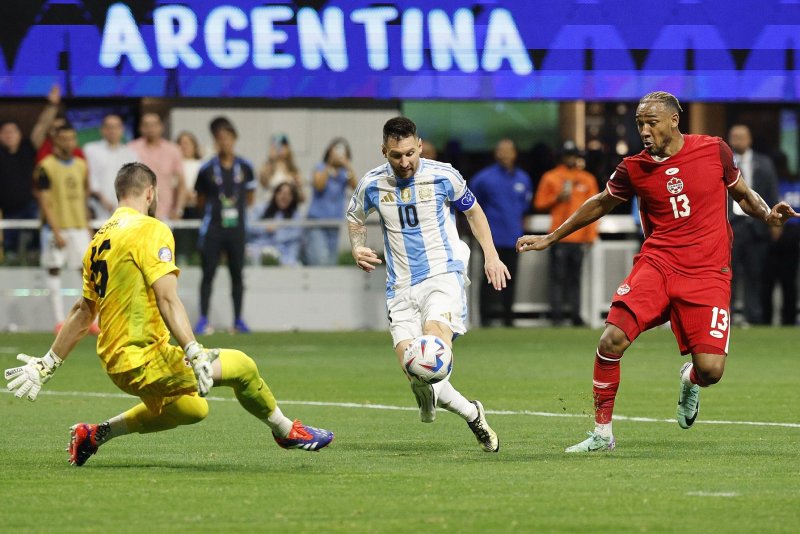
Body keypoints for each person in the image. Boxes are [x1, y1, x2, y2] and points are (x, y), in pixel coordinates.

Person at [517, 91, 798, 453]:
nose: (645, 131)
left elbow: (742, 193)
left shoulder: (714, 150)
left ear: (673, 120)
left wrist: (767, 215)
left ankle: (690, 378)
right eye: (639, 124)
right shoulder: (634, 167)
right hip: (658, 266)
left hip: (709, 273)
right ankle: (602, 433)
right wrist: (552, 237)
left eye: (651, 122)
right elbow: (602, 202)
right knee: (611, 339)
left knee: (711, 371)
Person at [3, 162, 333, 467]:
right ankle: (287, 431)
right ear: (150, 192)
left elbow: (82, 310)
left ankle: (94, 434)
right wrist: (193, 348)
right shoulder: (150, 229)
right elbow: (168, 299)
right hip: (143, 358)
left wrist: (47, 364)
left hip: (116, 363)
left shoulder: (98, 239)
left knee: (191, 407)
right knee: (243, 367)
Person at [347, 117, 509, 453]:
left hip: (442, 276)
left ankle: (439, 397)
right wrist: (357, 246)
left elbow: (475, 212)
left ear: (419, 145)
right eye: (396, 155)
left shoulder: (443, 175)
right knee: (415, 371)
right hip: (399, 287)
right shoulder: (372, 184)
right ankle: (472, 413)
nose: (405, 162)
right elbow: (355, 217)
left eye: (410, 153)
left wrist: (491, 256)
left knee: (431, 352)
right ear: (384, 152)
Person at [194, 117, 255, 335]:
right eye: (220, 139)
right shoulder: (207, 169)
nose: (224, 143)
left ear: (234, 140)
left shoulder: (246, 167)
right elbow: (199, 200)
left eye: (228, 138)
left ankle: (238, 320)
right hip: (213, 229)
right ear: (215, 142)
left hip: (237, 229)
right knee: (208, 273)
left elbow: (250, 197)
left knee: (237, 274)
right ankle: (203, 320)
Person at [35, 123, 95, 332]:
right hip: (56, 229)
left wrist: (87, 227)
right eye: (64, 139)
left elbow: (83, 198)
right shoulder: (46, 166)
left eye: (72, 138)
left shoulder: (81, 165)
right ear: (56, 140)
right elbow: (45, 201)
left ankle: (91, 321)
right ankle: (60, 322)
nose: (69, 143)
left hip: (79, 227)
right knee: (54, 270)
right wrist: (56, 230)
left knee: (86, 273)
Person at [533, 140, 600, 326]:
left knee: (575, 279)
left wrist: (590, 236)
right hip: (557, 236)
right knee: (557, 277)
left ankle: (575, 315)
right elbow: (539, 203)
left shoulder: (587, 179)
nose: (570, 158)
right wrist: (557, 198)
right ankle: (556, 316)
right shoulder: (551, 177)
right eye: (567, 155)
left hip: (578, 238)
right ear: (561, 157)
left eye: (573, 155)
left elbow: (596, 209)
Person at [470, 139, 532, 327]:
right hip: (491, 238)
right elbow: (471, 208)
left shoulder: (523, 178)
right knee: (488, 277)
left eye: (509, 151)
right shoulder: (483, 179)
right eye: (502, 151)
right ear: (496, 154)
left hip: (514, 237)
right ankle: (485, 318)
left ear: (515, 153)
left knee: (511, 277)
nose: (505, 154)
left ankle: (508, 318)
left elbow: (526, 206)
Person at [727, 124, 779, 325]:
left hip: (756, 228)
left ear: (749, 139)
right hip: (731, 227)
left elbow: (771, 192)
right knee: (728, 277)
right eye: (734, 136)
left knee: (755, 276)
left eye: (742, 137)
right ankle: (726, 320)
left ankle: (754, 319)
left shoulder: (763, 163)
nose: (738, 140)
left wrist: (775, 223)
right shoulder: (723, 162)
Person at [305, 138, 357, 265]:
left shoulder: (344, 172)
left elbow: (356, 187)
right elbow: (319, 185)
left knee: (331, 262)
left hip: (334, 223)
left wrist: (347, 165)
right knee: (320, 259)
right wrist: (329, 164)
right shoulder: (320, 167)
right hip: (317, 223)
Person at [762, 152, 800, 325]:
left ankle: (788, 319)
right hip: (771, 237)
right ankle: (766, 319)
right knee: (768, 280)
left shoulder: (793, 184)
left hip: (790, 238)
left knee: (787, 281)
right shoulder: (771, 185)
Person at [128, 113, 186, 221]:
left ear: (161, 127)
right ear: (141, 128)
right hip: (137, 214)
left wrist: (178, 210)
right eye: (146, 125)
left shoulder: (173, 150)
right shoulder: (131, 149)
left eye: (154, 125)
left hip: (166, 214)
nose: (150, 128)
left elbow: (181, 184)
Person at [83, 113, 138, 220]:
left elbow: (135, 180)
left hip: (124, 209)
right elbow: (90, 177)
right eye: (109, 127)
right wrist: (102, 199)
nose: (112, 130)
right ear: (102, 129)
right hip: (97, 207)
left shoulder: (130, 153)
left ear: (122, 129)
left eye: (116, 127)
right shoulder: (90, 150)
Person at [248, 182, 303, 266]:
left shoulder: (296, 216)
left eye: (288, 194)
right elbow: (248, 226)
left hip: (282, 254)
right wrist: (265, 228)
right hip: (258, 249)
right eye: (280, 193)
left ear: (293, 198)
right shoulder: (261, 208)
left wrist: (278, 232)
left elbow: (295, 237)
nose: (284, 196)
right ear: (275, 194)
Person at [257, 134, 305, 206]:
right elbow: (263, 182)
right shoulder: (268, 166)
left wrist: (299, 187)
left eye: (283, 145)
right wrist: (271, 160)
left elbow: (302, 198)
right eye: (277, 146)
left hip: (289, 209)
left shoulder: (293, 169)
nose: (280, 149)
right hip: (271, 207)